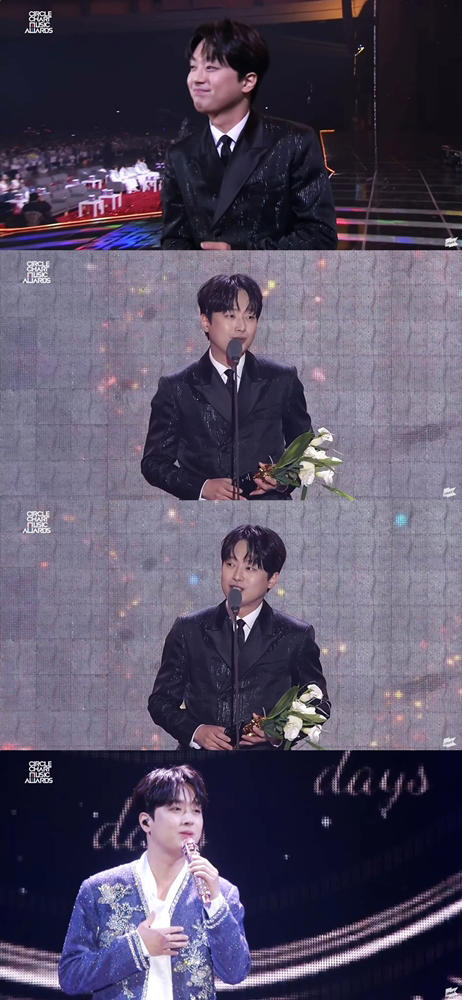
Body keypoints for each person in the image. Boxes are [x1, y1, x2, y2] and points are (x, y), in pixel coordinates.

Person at [59, 765, 250, 1000]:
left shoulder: (222, 892)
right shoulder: (99, 890)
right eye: (176, 809)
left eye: (196, 810)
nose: (189, 820)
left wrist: (216, 904)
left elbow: (235, 973)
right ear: (146, 822)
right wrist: (136, 947)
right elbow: (70, 976)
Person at [148, 524, 330, 750]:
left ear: (272, 579)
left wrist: (277, 732)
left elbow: (318, 703)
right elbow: (160, 701)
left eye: (250, 568)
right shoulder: (189, 628)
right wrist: (195, 731)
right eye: (230, 564)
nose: (236, 576)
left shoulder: (295, 636)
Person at [161, 19, 337, 250]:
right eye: (193, 67)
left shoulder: (294, 142)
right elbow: (173, 239)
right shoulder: (179, 155)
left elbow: (319, 235)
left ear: (247, 81)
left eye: (211, 67)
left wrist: (242, 258)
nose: (196, 79)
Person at [141, 273, 312, 500]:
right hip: (205, 513)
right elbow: (154, 463)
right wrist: (202, 487)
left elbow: (307, 450)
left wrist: (281, 478)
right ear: (206, 321)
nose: (241, 327)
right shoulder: (177, 387)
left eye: (250, 316)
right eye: (231, 315)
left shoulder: (281, 379)